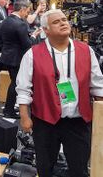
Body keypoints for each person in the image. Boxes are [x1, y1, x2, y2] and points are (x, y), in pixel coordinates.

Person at [16, 9, 103, 177]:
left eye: (64, 19)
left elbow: (97, 84)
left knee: (79, 169)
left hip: (78, 121)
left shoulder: (86, 50)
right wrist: (25, 117)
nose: (63, 23)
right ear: (45, 30)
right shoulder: (32, 54)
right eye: (56, 22)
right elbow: (23, 88)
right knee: (45, 167)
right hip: (45, 121)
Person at [0, 0, 40, 119]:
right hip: (16, 58)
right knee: (15, 84)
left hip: (7, 56)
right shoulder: (20, 24)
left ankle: (9, 108)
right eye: (28, 11)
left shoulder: (6, 20)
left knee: (14, 83)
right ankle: (9, 110)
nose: (28, 14)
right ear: (22, 9)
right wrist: (33, 36)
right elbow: (27, 44)